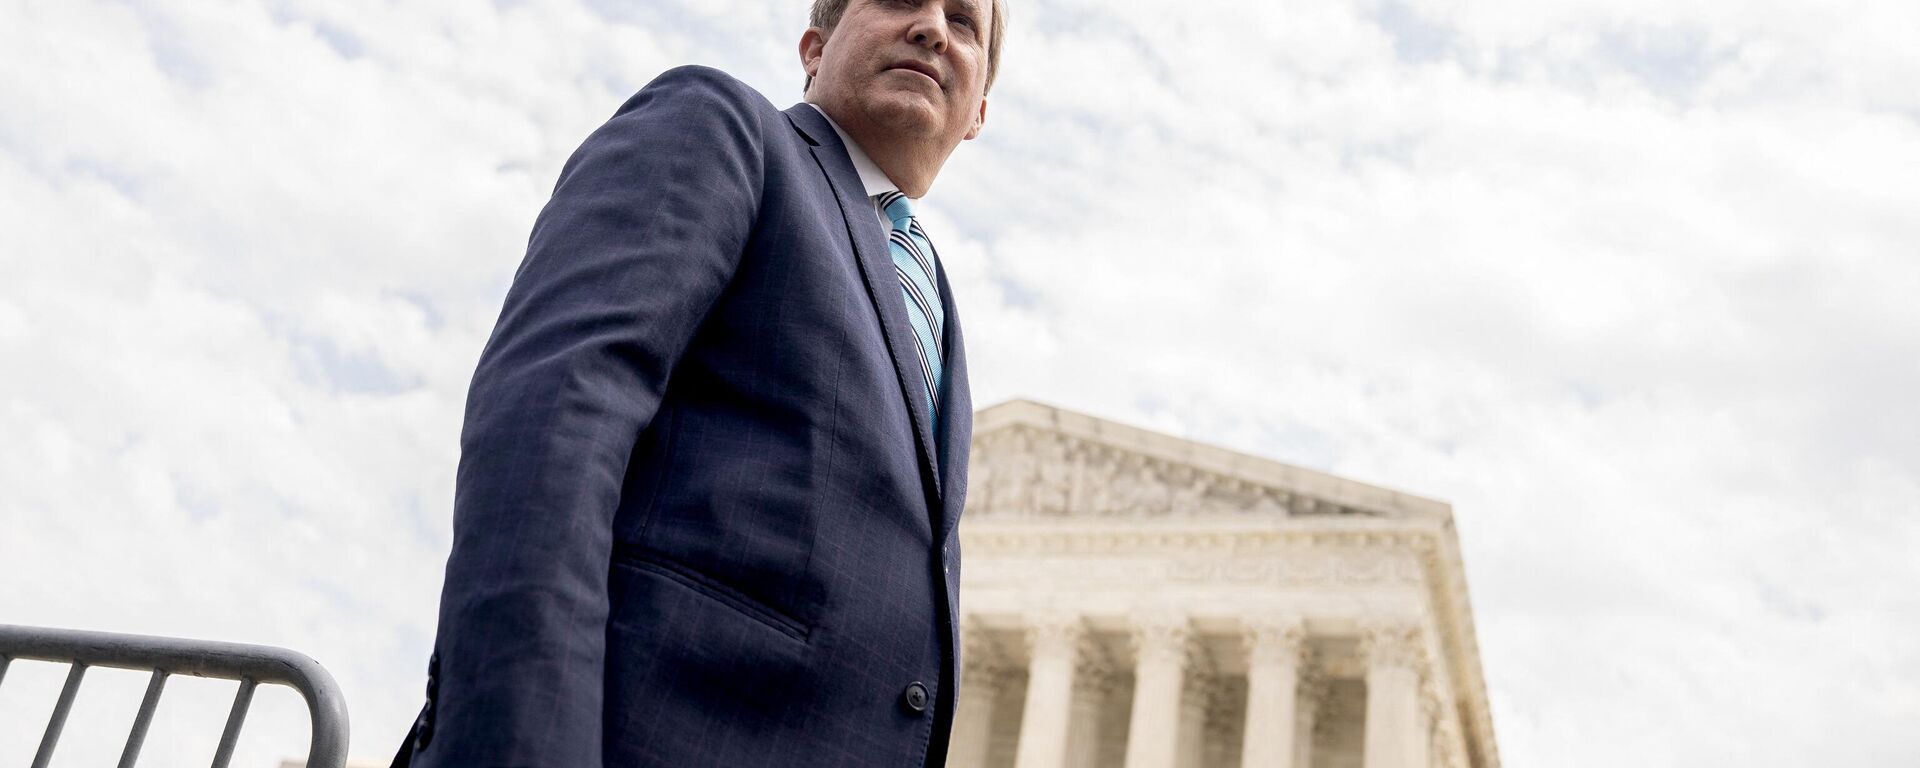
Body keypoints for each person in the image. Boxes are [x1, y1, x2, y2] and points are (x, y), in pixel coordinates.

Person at [391, 0, 1005, 766]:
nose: (931, 29)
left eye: (963, 21)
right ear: (813, 46)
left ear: (979, 111)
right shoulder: (722, 129)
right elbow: (552, 427)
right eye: (899, 0)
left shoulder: (934, 306)